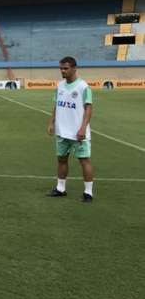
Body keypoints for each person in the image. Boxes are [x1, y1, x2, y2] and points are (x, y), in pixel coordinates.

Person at [47, 56, 94, 202]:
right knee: (61, 160)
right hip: (62, 131)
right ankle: (61, 188)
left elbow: (88, 108)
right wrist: (51, 122)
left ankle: (88, 193)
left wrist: (82, 128)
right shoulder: (59, 86)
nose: (62, 71)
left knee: (84, 160)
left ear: (74, 68)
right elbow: (56, 105)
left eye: (65, 68)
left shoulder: (83, 87)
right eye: (61, 68)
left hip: (78, 133)